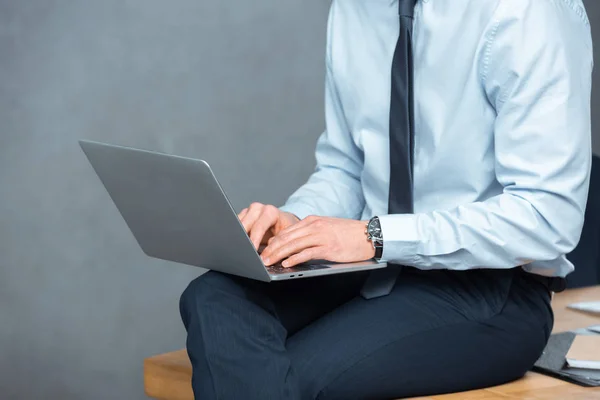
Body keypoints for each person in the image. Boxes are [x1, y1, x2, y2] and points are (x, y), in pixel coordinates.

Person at [179, 0, 593, 398]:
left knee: (288, 376)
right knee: (213, 298)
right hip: (373, 265)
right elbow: (345, 169)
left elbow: (547, 216)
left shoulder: (529, 10)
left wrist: (377, 236)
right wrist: (294, 224)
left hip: (490, 286)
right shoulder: (352, 8)